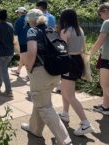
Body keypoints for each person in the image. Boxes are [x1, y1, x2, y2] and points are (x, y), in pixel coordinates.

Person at [21, 9, 72, 145]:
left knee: (44, 107)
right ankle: (35, 129)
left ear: (31, 21)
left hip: (40, 73)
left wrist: (28, 67)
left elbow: (32, 52)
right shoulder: (51, 30)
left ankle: (65, 141)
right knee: (41, 101)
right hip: (54, 73)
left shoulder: (33, 31)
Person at [58, 9, 93, 136]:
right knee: (64, 89)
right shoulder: (80, 30)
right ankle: (65, 114)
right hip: (78, 61)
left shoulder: (65, 31)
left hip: (69, 62)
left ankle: (85, 123)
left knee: (70, 95)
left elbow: (62, 51)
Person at [90, 3, 109, 116]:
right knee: (108, 84)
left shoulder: (108, 22)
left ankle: (105, 107)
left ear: (105, 11)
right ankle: (105, 107)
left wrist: (90, 54)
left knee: (105, 85)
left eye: (100, 14)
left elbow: (100, 41)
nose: (101, 17)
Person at [0, 10, 14, 97]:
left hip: (1, 52)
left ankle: (9, 91)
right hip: (10, 51)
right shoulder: (10, 25)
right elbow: (12, 38)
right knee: (3, 68)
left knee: (4, 70)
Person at [13, 7, 29, 77]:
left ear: (20, 13)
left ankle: (29, 74)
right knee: (22, 57)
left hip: (22, 41)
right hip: (31, 40)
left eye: (17, 13)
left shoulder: (19, 21)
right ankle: (18, 70)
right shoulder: (29, 19)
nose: (17, 14)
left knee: (24, 58)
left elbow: (16, 32)